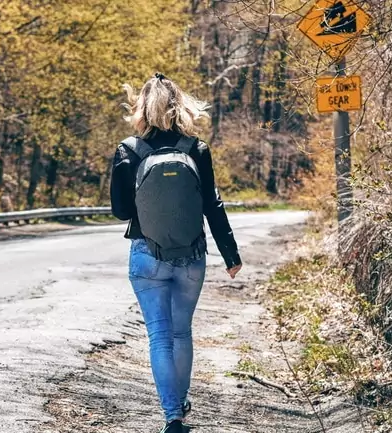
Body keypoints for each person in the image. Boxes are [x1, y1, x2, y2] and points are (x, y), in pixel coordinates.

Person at [110, 73, 242, 433]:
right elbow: (212, 206)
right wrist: (231, 254)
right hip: (190, 255)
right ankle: (181, 406)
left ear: (141, 108)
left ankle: (173, 417)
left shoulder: (128, 150)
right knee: (181, 333)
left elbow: (121, 211)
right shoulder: (196, 149)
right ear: (180, 106)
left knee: (159, 335)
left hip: (146, 253)